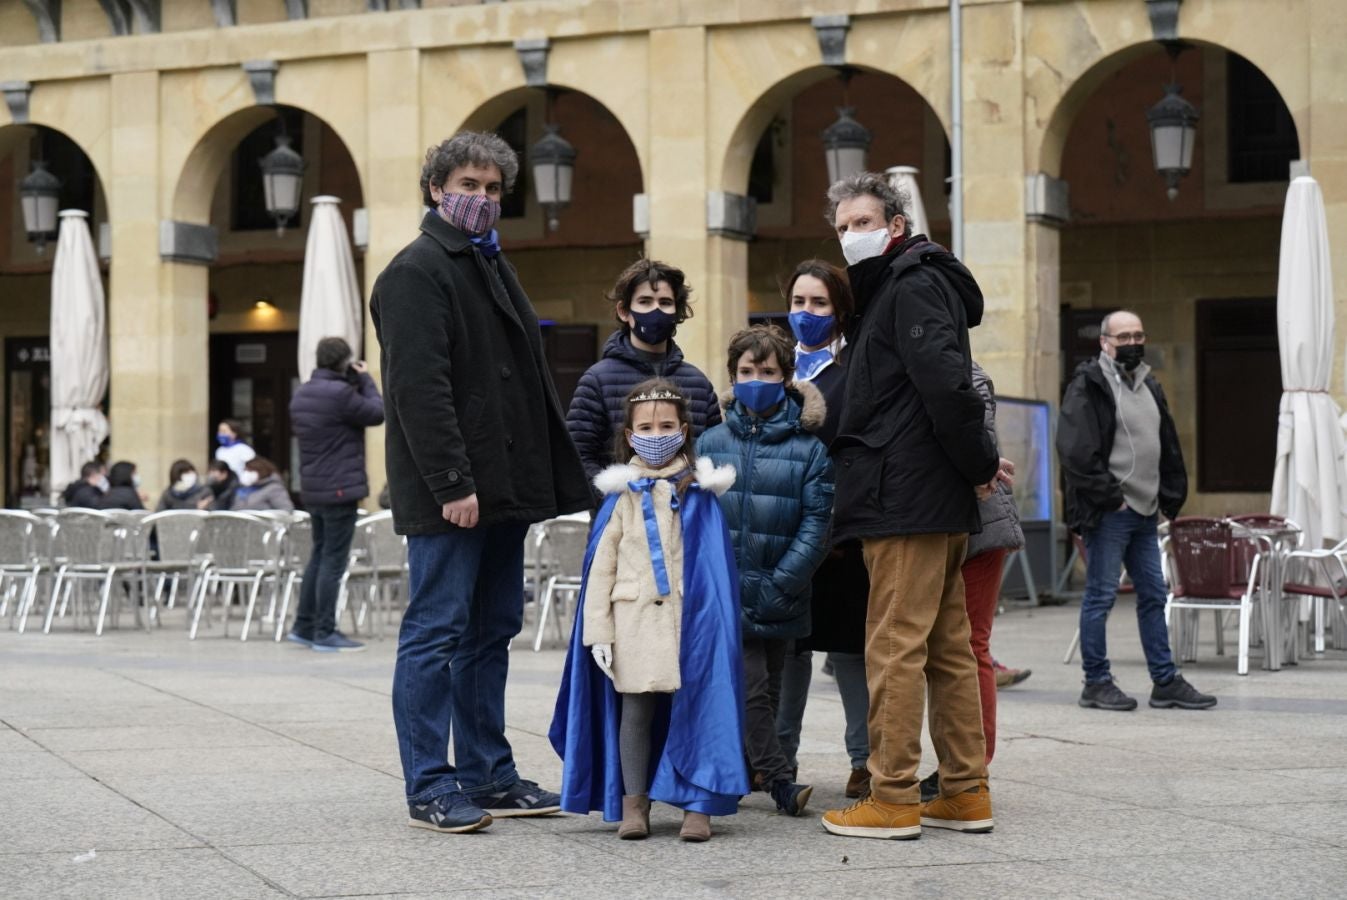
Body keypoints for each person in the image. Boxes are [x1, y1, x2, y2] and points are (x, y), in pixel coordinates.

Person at [371, 131, 592, 835]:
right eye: (468, 185)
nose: (482, 198)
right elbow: (419, 391)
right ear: (436, 189)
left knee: (491, 630)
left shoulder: (487, 262)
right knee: (436, 632)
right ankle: (429, 785)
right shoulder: (416, 270)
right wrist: (450, 481)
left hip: (502, 487)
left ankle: (488, 773)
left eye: (493, 188)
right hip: (453, 493)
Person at [819, 172, 999, 841]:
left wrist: (980, 464)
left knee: (893, 646)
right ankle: (964, 791)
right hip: (929, 495)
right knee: (948, 648)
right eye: (842, 227)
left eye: (862, 222)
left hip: (904, 495)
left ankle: (892, 795)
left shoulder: (909, 284)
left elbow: (948, 387)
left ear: (895, 225)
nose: (851, 235)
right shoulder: (903, 285)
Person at [552, 379, 744, 842]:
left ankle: (698, 804)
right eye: (645, 427)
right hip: (633, 624)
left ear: (683, 430)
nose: (656, 435)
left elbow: (715, 569)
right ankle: (633, 802)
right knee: (635, 712)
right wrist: (598, 632)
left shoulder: (700, 493)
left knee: (698, 708)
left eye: (666, 426)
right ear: (629, 434)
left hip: (691, 624)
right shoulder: (621, 497)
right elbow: (601, 568)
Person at [697, 325, 833, 819]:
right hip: (726, 592)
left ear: (786, 377)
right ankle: (779, 781)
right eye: (747, 371)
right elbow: (696, 520)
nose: (757, 380)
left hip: (781, 591)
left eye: (768, 371)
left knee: (770, 689)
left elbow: (818, 523)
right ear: (732, 377)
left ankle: (738, 772)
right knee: (751, 688)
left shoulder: (810, 449)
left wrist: (783, 582)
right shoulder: (710, 441)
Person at [1057, 309, 1216, 712]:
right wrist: (1112, 498)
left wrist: (1168, 497)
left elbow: (1167, 442)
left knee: (1154, 596)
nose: (1132, 343)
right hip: (1111, 511)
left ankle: (1165, 681)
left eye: (1138, 336)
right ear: (1104, 342)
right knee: (1100, 597)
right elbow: (1075, 452)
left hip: (1146, 511)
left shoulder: (1149, 384)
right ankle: (1096, 682)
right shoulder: (1088, 384)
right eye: (1123, 337)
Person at [771, 260, 873, 800]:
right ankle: (777, 760)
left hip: (842, 537)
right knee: (790, 652)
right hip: (783, 536)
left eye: (819, 303)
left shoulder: (857, 368)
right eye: (799, 302)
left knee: (851, 651)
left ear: (840, 309)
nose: (806, 313)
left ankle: (865, 761)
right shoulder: (775, 369)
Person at [920, 362, 1025, 802]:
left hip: (979, 528)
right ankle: (962, 762)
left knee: (969, 644)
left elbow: (972, 439)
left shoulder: (966, 374)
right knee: (950, 645)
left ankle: (972, 765)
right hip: (945, 520)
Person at [566, 259, 721, 486]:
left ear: (676, 311)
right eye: (645, 301)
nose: (655, 310)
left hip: (687, 506)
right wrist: (617, 497)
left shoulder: (699, 383)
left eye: (665, 302)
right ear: (624, 311)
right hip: (620, 507)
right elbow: (578, 456)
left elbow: (714, 454)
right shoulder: (596, 381)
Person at [287, 336, 386, 653]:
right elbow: (377, 412)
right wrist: (366, 379)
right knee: (333, 561)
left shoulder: (302, 394)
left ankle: (304, 625)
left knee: (318, 556)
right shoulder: (341, 394)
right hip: (340, 489)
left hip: (313, 490)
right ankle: (325, 631)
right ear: (345, 362)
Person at [230, 457, 294, 512]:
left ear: (261, 471)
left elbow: (286, 510)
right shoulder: (242, 489)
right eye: (245, 470)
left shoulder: (274, 488)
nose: (246, 473)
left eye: (250, 470)